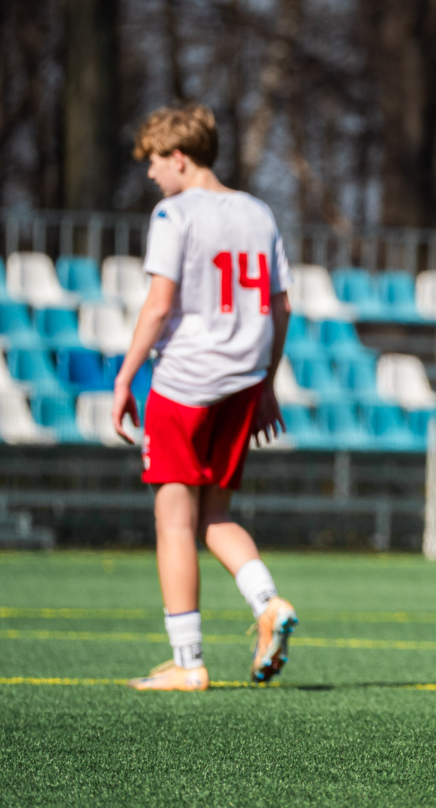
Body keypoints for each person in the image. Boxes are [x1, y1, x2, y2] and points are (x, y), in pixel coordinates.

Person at [114, 103, 299, 692]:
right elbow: (281, 306)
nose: (150, 174)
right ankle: (268, 602)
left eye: (153, 161)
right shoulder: (258, 211)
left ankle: (187, 661)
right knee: (214, 514)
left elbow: (159, 304)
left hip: (184, 383)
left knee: (174, 520)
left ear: (179, 157)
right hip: (243, 381)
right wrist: (266, 384)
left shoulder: (174, 213)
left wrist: (124, 377)